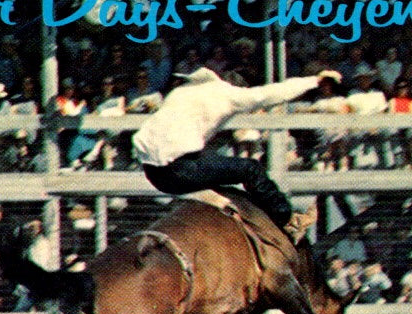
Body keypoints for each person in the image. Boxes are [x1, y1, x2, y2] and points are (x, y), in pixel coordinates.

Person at [132, 66, 338, 241]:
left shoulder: (181, 92)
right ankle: (289, 221)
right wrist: (314, 80)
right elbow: (270, 94)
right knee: (251, 169)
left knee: (215, 174)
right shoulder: (229, 95)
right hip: (179, 169)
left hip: (153, 172)